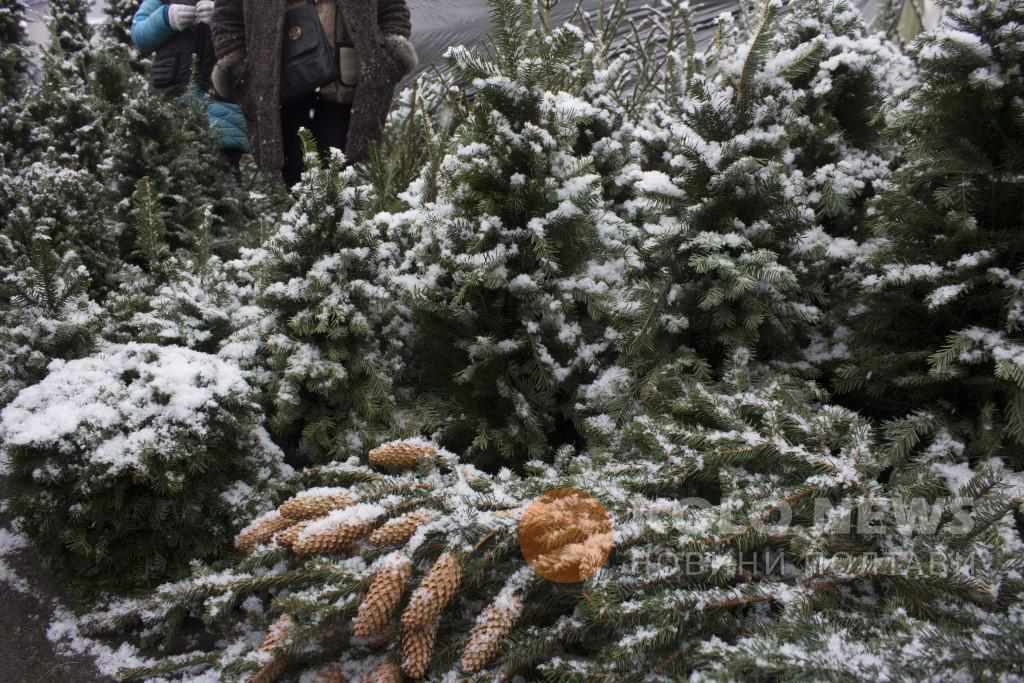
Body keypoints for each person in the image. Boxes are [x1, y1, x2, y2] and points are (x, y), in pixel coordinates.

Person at [209, 0, 418, 185]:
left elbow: (393, 8)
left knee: (348, 182)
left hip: (348, 95)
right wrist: (235, 61)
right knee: (297, 184)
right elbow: (227, 17)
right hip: (282, 96)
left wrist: (392, 52)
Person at [131, 0, 250, 168]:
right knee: (170, 170)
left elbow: (255, 28)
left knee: (222, 170)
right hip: (171, 102)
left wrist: (221, 15)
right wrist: (166, 17)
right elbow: (139, 34)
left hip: (221, 110)